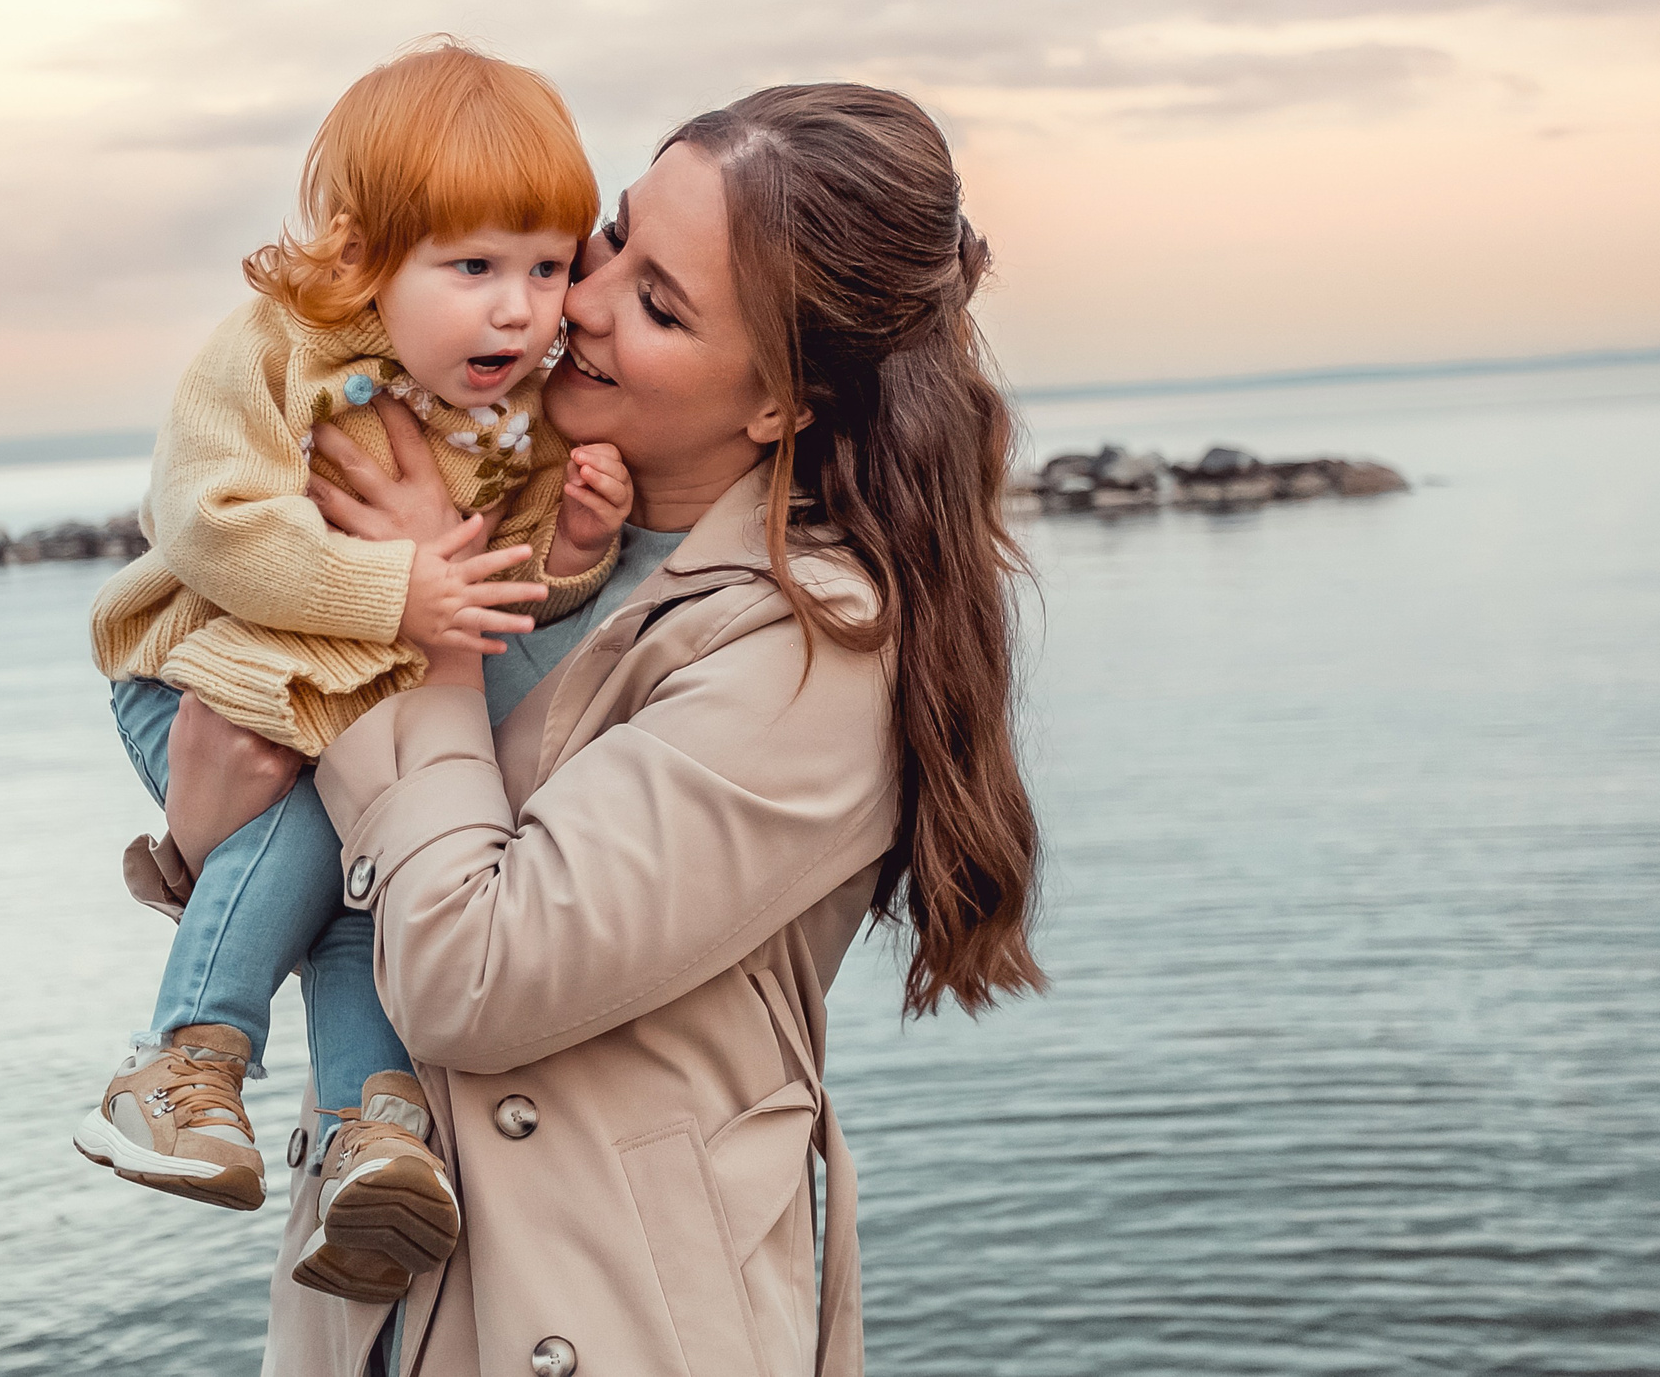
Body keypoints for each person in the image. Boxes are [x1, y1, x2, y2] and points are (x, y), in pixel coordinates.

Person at [153, 82, 1047, 1376]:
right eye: (614, 237)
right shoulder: (531, 530)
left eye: (660, 301)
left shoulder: (810, 645)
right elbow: (354, 887)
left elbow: (471, 974)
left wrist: (428, 633)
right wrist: (206, 833)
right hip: (380, 1320)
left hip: (618, 1329)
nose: (578, 296)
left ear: (779, 405)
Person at [76, 42, 634, 1305]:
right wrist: (393, 590)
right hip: (205, 670)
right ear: (361, 255)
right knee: (316, 830)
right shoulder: (279, 351)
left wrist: (580, 550)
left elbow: (499, 590)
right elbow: (211, 519)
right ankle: (180, 1063)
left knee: (368, 882)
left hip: (361, 704)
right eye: (475, 267)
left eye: (548, 268)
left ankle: (364, 1131)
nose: (520, 309)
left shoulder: (520, 405)